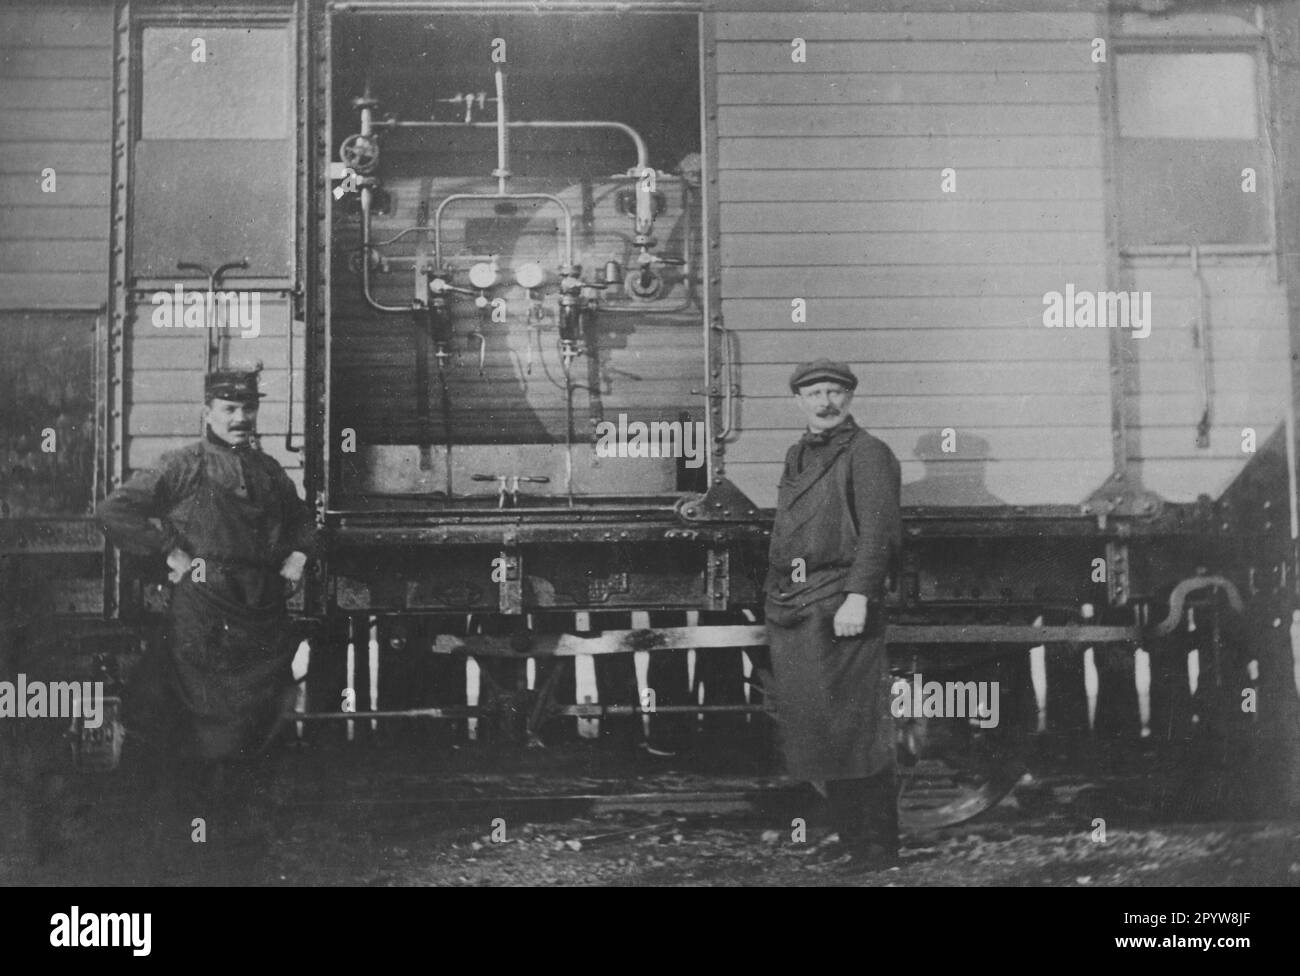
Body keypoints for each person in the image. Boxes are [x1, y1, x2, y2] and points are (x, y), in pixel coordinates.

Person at [97, 369, 316, 857]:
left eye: (248, 409)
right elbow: (114, 510)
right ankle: (186, 843)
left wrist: (300, 554)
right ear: (208, 413)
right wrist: (166, 554)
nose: (241, 418)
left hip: (260, 612)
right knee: (197, 727)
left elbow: (304, 521)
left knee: (257, 723)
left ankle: (241, 843)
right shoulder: (183, 466)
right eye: (229, 409)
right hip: (203, 615)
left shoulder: (268, 471)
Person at [764, 359, 902, 870]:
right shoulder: (797, 453)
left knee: (855, 728)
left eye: (835, 392)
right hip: (798, 606)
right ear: (799, 401)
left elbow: (877, 533)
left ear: (850, 398)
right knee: (821, 730)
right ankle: (852, 843)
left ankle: (877, 850)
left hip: (840, 603)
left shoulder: (868, 454)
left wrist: (859, 596)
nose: (825, 402)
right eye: (814, 392)